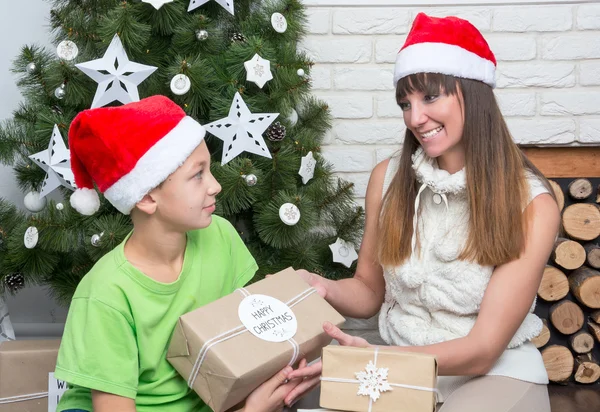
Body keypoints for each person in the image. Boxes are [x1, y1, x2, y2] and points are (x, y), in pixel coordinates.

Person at [284, 13, 560, 412]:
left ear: (472, 91)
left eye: (431, 97)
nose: (415, 118)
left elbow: (483, 349)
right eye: (405, 103)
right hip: (401, 368)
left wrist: (374, 360)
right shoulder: (389, 178)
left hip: (496, 372)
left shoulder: (532, 203)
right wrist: (324, 287)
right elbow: (368, 291)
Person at [55, 95, 306, 412]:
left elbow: (241, 344)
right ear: (146, 198)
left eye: (209, 170)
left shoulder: (220, 236)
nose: (215, 186)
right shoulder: (106, 294)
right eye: (198, 174)